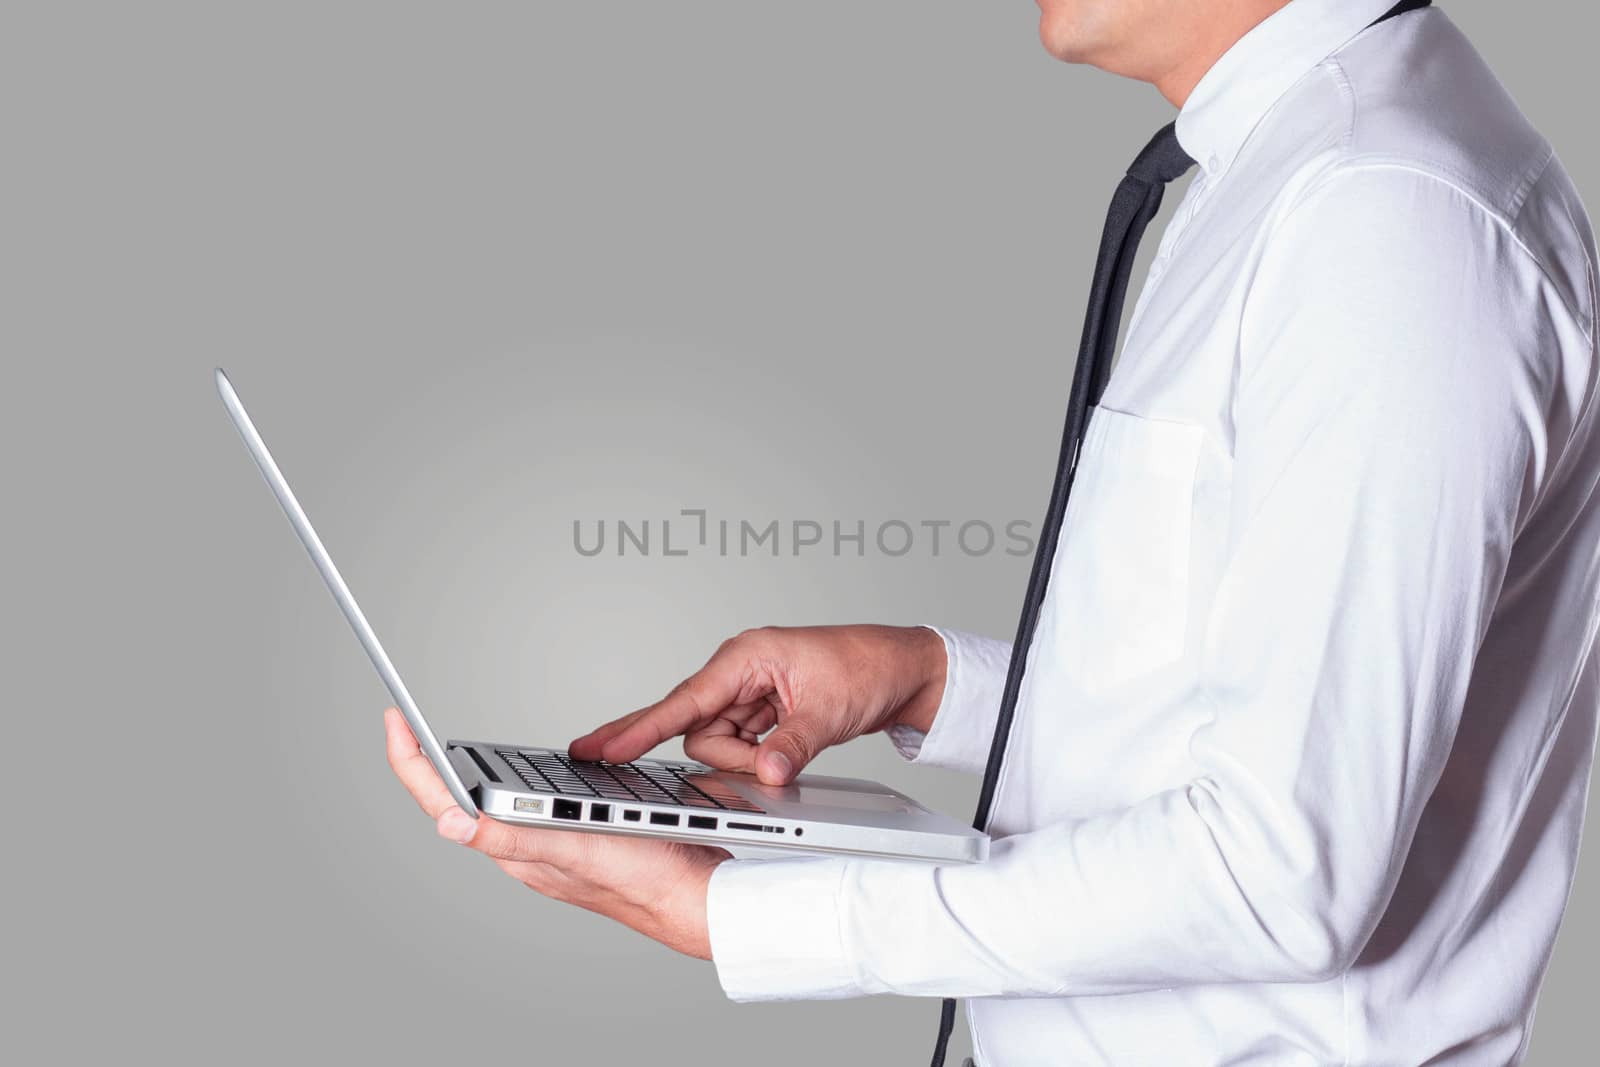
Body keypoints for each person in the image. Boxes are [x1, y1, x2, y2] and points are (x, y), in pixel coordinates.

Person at [384, 0, 1600, 1062]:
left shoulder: (1384, 219)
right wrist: (928, 682)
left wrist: (746, 920)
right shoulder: (1302, 171)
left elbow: (1282, 870)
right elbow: (1270, 697)